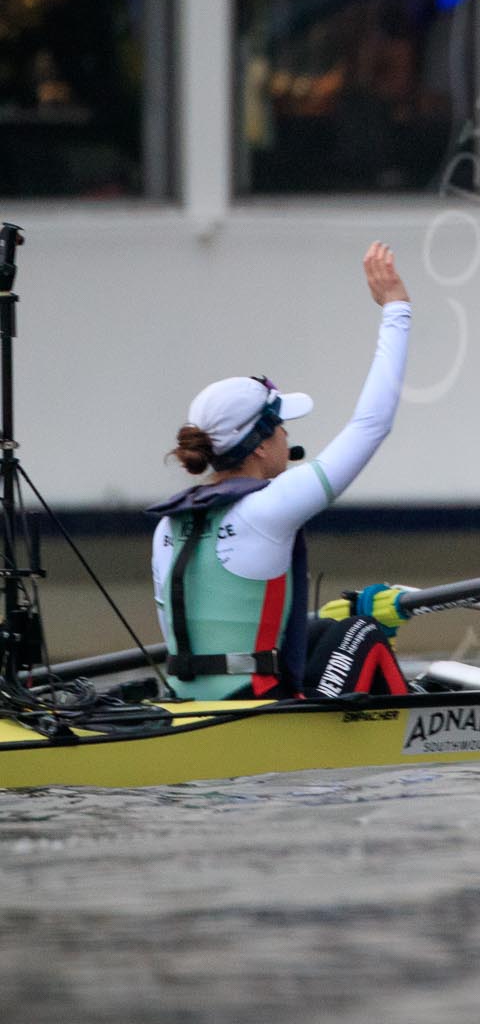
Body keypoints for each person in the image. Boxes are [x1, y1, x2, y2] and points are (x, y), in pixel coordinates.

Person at [146, 243, 413, 700]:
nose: (289, 437)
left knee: (322, 629)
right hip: (255, 705)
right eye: (283, 426)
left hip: (186, 699)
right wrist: (397, 309)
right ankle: (423, 729)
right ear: (262, 443)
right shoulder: (268, 509)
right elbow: (372, 425)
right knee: (360, 631)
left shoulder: (170, 523)